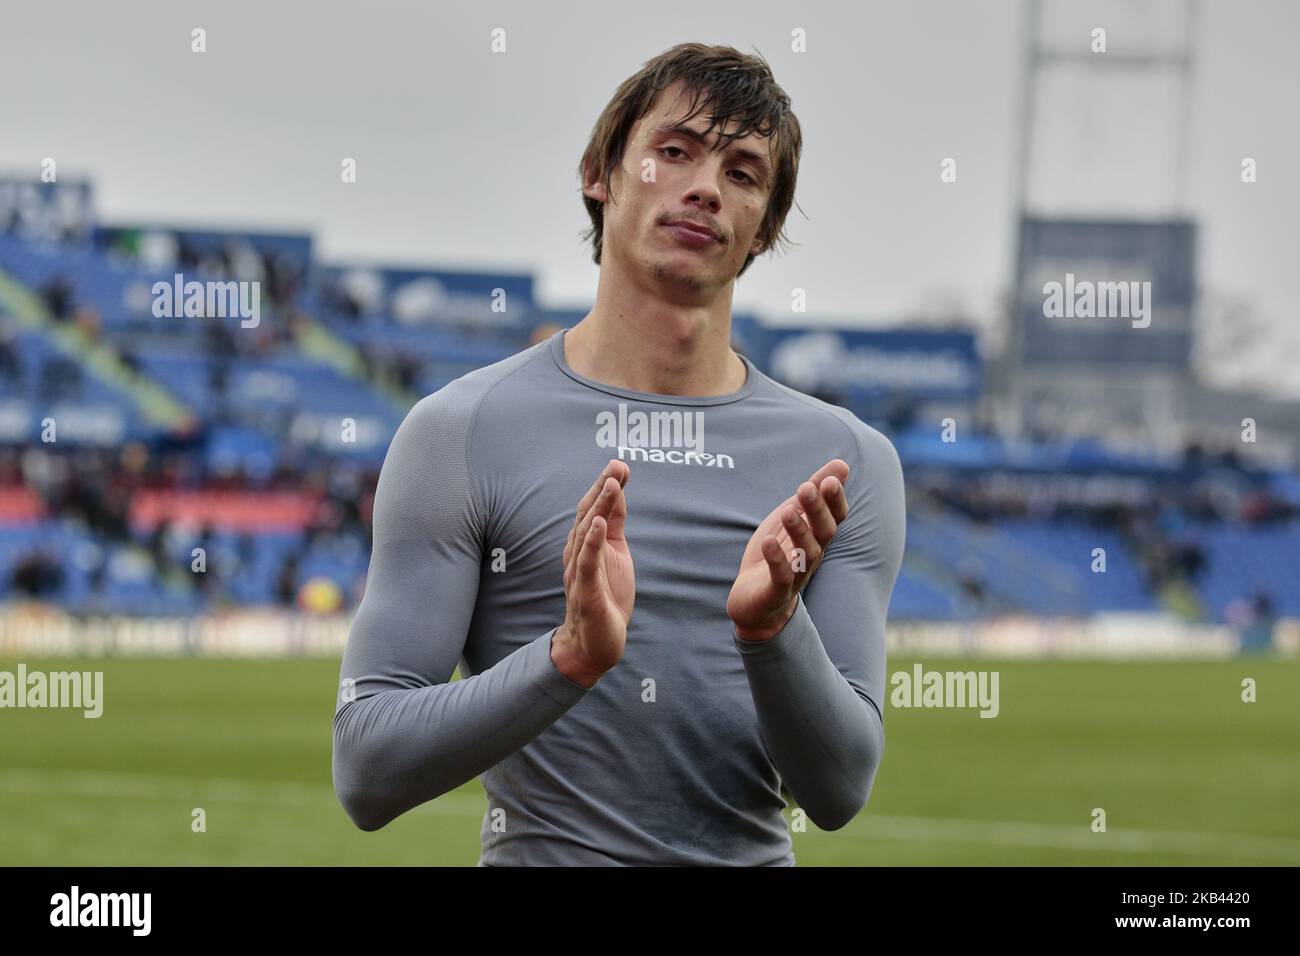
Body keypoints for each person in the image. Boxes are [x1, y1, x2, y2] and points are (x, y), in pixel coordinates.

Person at [331, 42, 906, 866]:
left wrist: (772, 629)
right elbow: (366, 769)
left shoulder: (844, 462)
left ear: (763, 232)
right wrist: (567, 658)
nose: (706, 186)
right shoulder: (461, 430)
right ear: (601, 173)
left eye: (743, 173)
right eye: (674, 152)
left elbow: (840, 789)